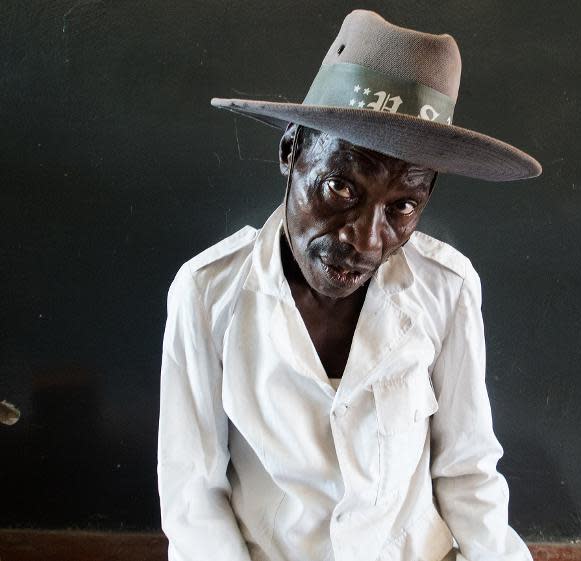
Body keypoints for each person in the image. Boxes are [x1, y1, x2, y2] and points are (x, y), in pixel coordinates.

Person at [158, 9, 541, 561]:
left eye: (402, 206)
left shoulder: (448, 289)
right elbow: (194, 499)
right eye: (341, 186)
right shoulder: (207, 293)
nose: (364, 239)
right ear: (291, 152)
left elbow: (467, 470)